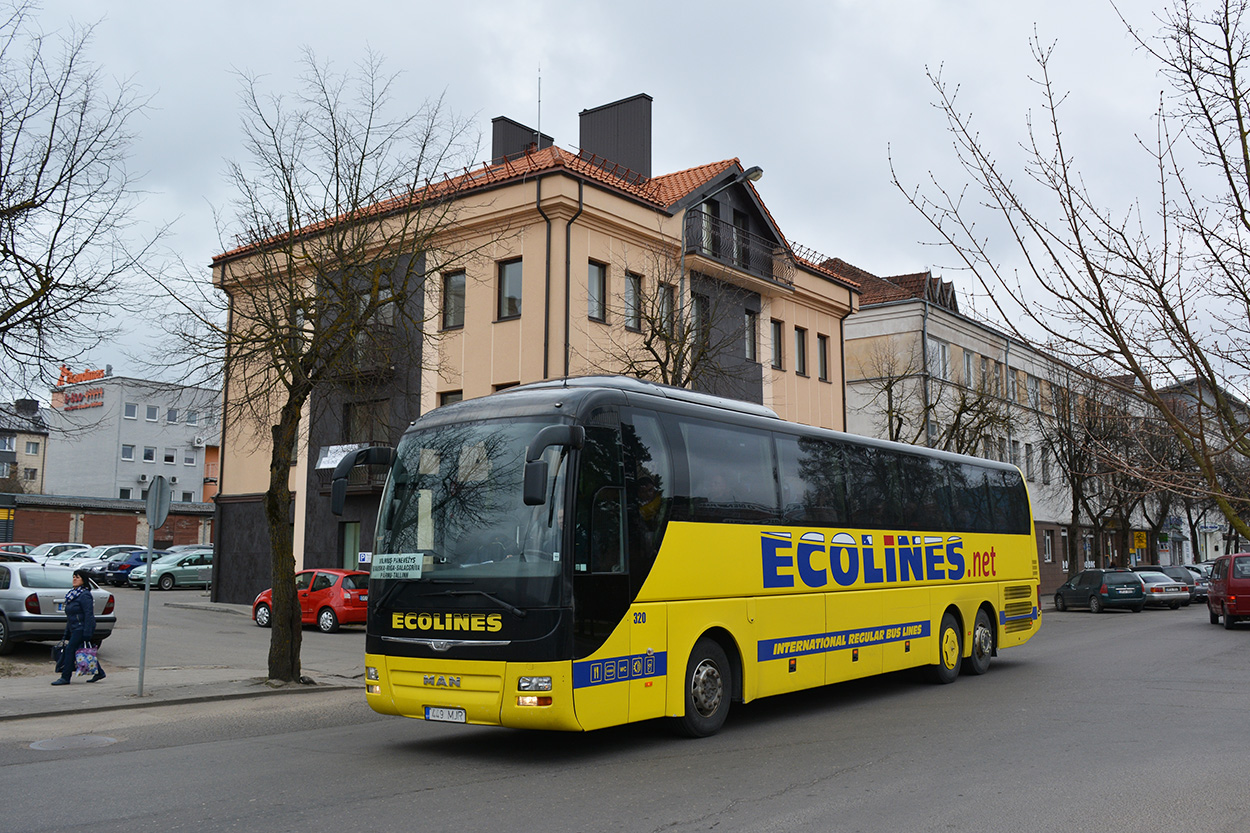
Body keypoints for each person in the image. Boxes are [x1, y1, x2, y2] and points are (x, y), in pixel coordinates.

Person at [52, 569, 105, 685]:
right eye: (73, 577)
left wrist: (87, 632)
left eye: (78, 577)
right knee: (82, 650)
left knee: (70, 649)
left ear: (84, 580)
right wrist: (67, 632)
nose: (74, 579)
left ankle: (65, 677)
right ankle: (100, 672)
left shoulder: (85, 595)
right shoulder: (72, 594)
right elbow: (71, 615)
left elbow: (89, 614)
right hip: (74, 628)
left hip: (81, 628)